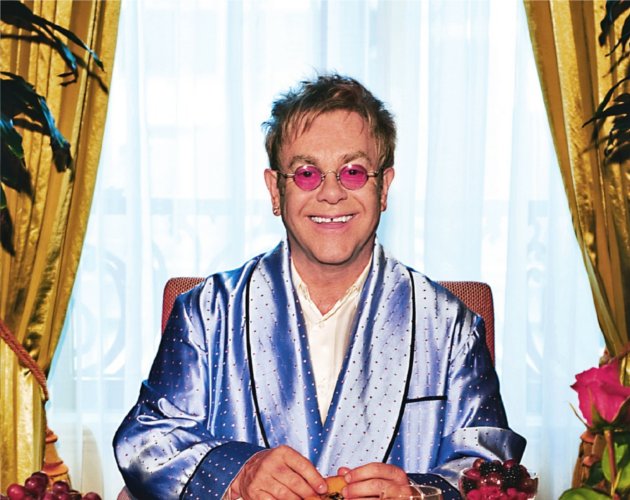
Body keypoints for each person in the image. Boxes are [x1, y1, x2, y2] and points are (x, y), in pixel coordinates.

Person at [114, 74, 525, 500]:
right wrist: (236, 473)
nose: (331, 193)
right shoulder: (207, 312)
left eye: (353, 172)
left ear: (384, 187)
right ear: (276, 190)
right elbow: (147, 441)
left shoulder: (449, 326)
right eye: (307, 173)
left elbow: (489, 466)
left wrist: (421, 493)